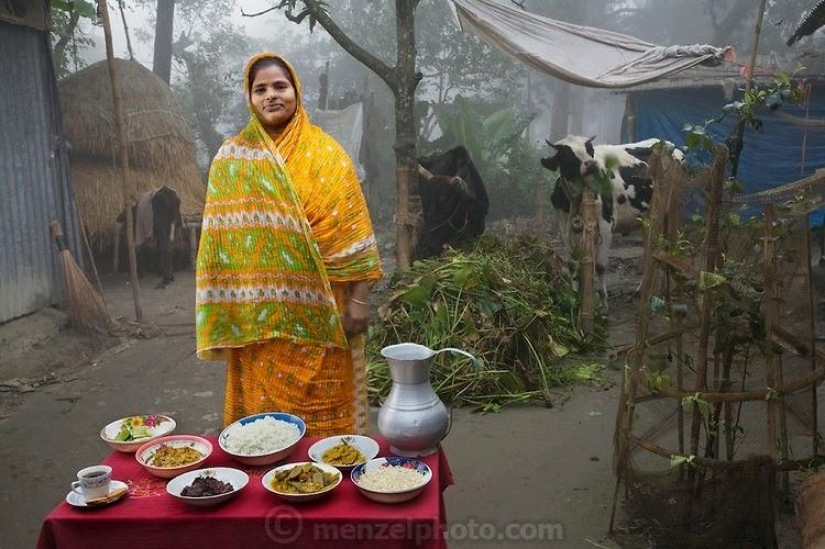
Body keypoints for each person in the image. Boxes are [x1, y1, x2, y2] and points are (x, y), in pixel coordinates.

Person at [195, 53, 383, 437]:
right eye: (260, 89)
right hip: (259, 326)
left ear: (296, 90)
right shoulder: (231, 160)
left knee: (330, 432)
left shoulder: (329, 155)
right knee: (263, 431)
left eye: (280, 86)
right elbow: (219, 251)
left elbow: (355, 234)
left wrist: (360, 300)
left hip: (327, 317)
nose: (270, 96)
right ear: (249, 99)